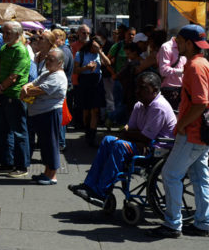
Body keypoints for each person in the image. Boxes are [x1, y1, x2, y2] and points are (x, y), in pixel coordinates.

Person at [69, 72, 176, 204]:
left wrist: (132, 134)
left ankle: (101, 191)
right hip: (141, 144)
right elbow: (129, 129)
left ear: (154, 89)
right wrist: (132, 134)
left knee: (119, 146)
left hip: (156, 149)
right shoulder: (139, 105)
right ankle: (89, 184)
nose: (137, 91)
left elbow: (145, 137)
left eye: (142, 88)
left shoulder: (158, 106)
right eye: (137, 87)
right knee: (108, 140)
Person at [148, 25, 209, 239]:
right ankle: (203, 222)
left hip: (192, 132)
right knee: (200, 176)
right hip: (200, 133)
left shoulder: (194, 66)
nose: (177, 45)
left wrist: (182, 125)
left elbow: (201, 103)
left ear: (189, 43)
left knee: (171, 174)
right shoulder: (201, 63)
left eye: (180, 42)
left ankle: (173, 224)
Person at [21, 48, 67, 185]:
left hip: (50, 113)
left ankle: (52, 175)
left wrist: (26, 90)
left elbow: (38, 89)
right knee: (45, 145)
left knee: (51, 144)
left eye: (51, 60)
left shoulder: (58, 76)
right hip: (41, 114)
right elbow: (33, 83)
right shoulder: (48, 73)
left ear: (60, 63)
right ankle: (47, 173)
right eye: (47, 59)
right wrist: (26, 87)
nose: (47, 62)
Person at [0, 22, 31, 177]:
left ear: (17, 34)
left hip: (15, 95)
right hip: (4, 93)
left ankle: (22, 166)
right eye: (4, 33)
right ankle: (8, 162)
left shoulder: (20, 50)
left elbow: (15, 75)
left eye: (8, 33)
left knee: (19, 131)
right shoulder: (4, 48)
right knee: (5, 130)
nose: (4, 35)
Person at [74, 36, 111, 146]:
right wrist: (86, 68)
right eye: (95, 47)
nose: (96, 49)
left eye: (99, 47)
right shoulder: (80, 54)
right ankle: (87, 131)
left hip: (97, 83)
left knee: (95, 110)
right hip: (85, 83)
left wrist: (100, 52)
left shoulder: (99, 54)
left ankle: (92, 136)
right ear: (90, 45)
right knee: (86, 111)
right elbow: (75, 70)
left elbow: (108, 63)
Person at [108, 26, 136, 125]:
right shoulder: (117, 46)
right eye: (129, 34)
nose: (131, 36)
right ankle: (116, 120)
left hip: (131, 81)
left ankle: (123, 122)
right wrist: (113, 73)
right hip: (119, 80)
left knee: (128, 103)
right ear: (125, 34)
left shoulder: (136, 46)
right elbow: (107, 61)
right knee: (119, 102)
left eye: (133, 34)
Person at [52, 28, 74, 152]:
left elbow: (59, 69)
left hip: (62, 87)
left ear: (61, 39)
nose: (52, 40)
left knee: (60, 115)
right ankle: (60, 141)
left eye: (54, 37)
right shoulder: (64, 50)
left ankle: (61, 142)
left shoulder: (63, 52)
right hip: (64, 86)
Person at [157, 33, 187, 110]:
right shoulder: (166, 47)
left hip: (183, 89)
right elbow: (163, 70)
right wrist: (182, 71)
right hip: (170, 90)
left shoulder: (185, 48)